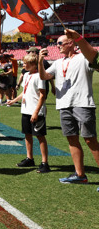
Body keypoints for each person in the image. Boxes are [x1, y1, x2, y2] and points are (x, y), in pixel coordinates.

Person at [39, 29, 99, 185]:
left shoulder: (83, 58)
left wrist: (78, 36)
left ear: (71, 43)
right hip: (64, 105)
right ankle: (80, 175)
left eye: (60, 43)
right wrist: (40, 61)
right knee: (72, 139)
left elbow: (93, 55)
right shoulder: (58, 62)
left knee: (90, 140)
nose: (57, 46)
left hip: (83, 104)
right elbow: (44, 76)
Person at [7, 53, 50, 173]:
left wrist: (36, 112)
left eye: (26, 63)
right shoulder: (26, 75)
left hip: (36, 111)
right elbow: (24, 93)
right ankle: (29, 158)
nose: (23, 64)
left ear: (33, 64)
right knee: (27, 134)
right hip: (25, 110)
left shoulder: (39, 76)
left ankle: (44, 162)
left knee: (40, 136)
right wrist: (14, 100)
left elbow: (43, 95)